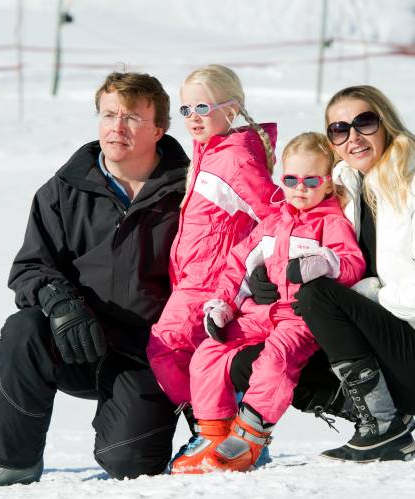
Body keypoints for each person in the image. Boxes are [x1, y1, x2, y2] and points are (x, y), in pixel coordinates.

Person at [0, 71, 190, 486]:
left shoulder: (189, 192)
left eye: (131, 118)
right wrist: (60, 303)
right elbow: (30, 267)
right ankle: (9, 458)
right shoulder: (62, 190)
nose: (117, 127)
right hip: (78, 339)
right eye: (108, 115)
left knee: (131, 464)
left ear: (158, 129)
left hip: (150, 353)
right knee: (25, 328)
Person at [241, 84, 415, 463]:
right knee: (253, 359)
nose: (353, 137)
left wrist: (367, 294)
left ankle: (382, 427)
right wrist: (267, 277)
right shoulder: (345, 184)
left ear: (385, 124)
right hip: (380, 350)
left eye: (364, 123)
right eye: (339, 129)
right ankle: (380, 418)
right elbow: (296, 225)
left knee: (318, 293)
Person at [170, 132, 366, 474]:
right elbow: (238, 264)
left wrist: (323, 263)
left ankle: (250, 436)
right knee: (208, 354)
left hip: (299, 318)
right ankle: (213, 434)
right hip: (259, 314)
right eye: (291, 179)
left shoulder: (330, 222)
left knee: (276, 358)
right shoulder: (273, 221)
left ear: (328, 185)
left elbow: (351, 262)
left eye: (310, 180)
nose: (299, 188)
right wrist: (223, 305)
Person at [145, 64, 277, 445]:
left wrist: (247, 267)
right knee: (191, 355)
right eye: (186, 110)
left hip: (212, 281)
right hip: (193, 279)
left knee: (165, 347)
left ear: (231, 109)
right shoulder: (211, 151)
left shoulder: (234, 159)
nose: (193, 119)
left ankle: (220, 430)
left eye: (202, 108)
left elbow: (275, 216)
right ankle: (223, 430)